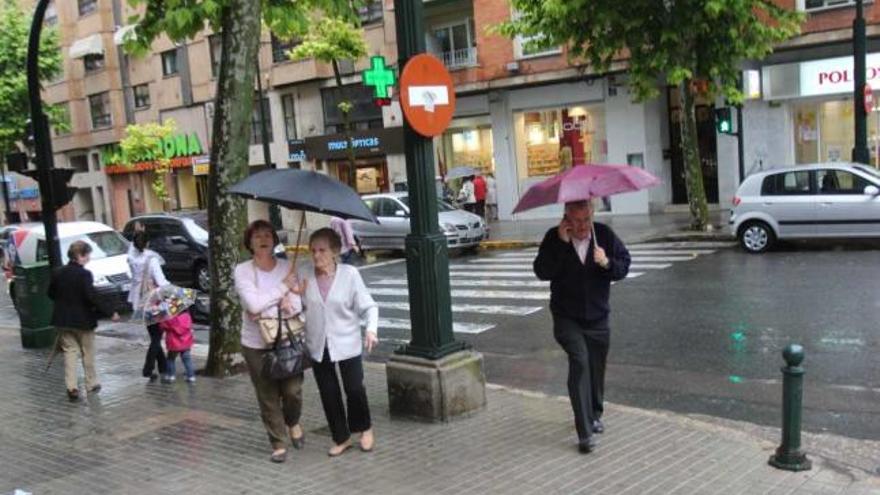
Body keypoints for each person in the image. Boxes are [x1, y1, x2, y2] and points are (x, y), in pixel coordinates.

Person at [533, 200, 631, 454]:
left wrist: (607, 263)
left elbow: (624, 266)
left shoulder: (604, 236)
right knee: (580, 362)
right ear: (566, 218)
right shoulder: (554, 239)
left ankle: (595, 413)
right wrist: (561, 245)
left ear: (592, 215)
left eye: (586, 219)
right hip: (567, 318)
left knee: (596, 368)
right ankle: (584, 432)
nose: (582, 226)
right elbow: (542, 271)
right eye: (576, 221)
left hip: (598, 317)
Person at [298, 228, 379, 457]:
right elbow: (298, 307)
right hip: (317, 343)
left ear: (335, 251)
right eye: (312, 250)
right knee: (328, 392)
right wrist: (291, 296)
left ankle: (364, 428)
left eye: (322, 250)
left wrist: (371, 330)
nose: (316, 255)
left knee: (354, 388)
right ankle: (341, 437)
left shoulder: (349, 274)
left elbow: (368, 306)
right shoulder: (303, 272)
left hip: (347, 341)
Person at [234, 219, 305, 463]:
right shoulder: (242, 271)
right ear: (249, 243)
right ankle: (278, 442)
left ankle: (293, 421)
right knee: (267, 395)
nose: (263, 239)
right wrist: (280, 292)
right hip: (255, 344)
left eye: (267, 235)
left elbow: (296, 304)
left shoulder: (287, 266)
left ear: (274, 240)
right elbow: (252, 305)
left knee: (292, 390)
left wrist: (286, 301)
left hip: (286, 340)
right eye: (257, 236)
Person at [48, 241, 120, 401]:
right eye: (87, 255)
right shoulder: (84, 275)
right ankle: (91, 383)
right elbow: (91, 296)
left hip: (62, 320)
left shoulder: (57, 272)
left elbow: (51, 294)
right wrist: (110, 312)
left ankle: (72, 387)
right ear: (80, 256)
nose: (89, 258)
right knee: (88, 352)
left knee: (70, 352)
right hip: (83, 321)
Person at [128, 231, 170, 382]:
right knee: (157, 337)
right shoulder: (151, 260)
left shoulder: (131, 258)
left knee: (154, 334)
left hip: (138, 299)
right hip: (152, 301)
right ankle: (148, 368)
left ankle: (163, 367)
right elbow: (161, 281)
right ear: (147, 243)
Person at [160, 310, 195, 384]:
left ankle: (171, 375)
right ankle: (191, 376)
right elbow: (189, 326)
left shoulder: (170, 317)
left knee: (170, 359)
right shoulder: (187, 316)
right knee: (187, 360)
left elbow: (162, 326)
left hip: (174, 342)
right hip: (186, 341)